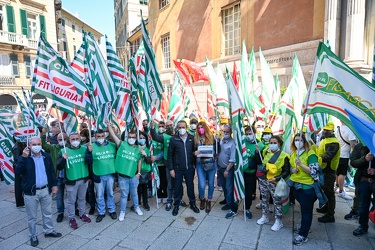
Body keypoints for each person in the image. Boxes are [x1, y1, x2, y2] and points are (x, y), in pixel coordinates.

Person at [15, 137, 62, 247]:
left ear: (41, 144)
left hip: (45, 189)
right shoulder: (25, 157)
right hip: (31, 192)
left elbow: (51, 171)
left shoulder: (46, 156)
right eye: (34, 144)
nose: (36, 146)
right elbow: (18, 171)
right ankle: (33, 235)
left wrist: (54, 184)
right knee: (32, 216)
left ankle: (49, 231)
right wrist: (23, 158)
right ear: (29, 145)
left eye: (38, 143)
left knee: (47, 212)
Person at [107, 125, 143, 221]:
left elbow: (139, 160)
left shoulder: (138, 148)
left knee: (134, 193)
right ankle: (122, 211)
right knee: (124, 194)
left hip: (133, 175)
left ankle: (136, 207)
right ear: (127, 138)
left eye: (133, 137)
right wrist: (109, 126)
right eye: (130, 137)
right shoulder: (122, 144)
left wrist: (139, 173)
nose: (131, 139)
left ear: (136, 138)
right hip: (123, 176)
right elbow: (113, 135)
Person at [57, 132, 92, 229]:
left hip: (83, 178)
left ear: (80, 140)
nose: (75, 141)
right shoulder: (64, 151)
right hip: (71, 180)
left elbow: (89, 162)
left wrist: (89, 152)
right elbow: (59, 166)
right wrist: (63, 159)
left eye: (77, 139)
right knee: (71, 201)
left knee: (82, 198)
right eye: (73, 139)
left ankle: (82, 214)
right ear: (69, 140)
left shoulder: (85, 149)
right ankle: (71, 218)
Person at [289, 133, 319, 245]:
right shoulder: (294, 153)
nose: (298, 142)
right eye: (296, 140)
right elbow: (292, 166)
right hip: (296, 186)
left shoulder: (311, 154)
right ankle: (304, 226)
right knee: (303, 210)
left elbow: (314, 172)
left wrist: (301, 165)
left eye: (300, 140)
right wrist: (293, 169)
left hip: (307, 188)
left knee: (306, 212)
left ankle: (303, 235)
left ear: (305, 142)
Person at [150, 120, 187, 211]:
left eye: (171, 125)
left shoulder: (180, 135)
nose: (170, 126)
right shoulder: (164, 136)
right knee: (169, 184)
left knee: (179, 184)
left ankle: (179, 199)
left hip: (179, 164)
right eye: (168, 126)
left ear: (174, 125)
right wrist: (152, 128)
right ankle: (169, 201)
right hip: (169, 164)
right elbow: (155, 137)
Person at [256, 135, 290, 231]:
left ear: (279, 144)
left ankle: (278, 220)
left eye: (275, 143)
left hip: (275, 182)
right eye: (271, 143)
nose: (272, 145)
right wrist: (257, 152)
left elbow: (286, 171)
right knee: (264, 198)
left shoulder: (284, 156)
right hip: (263, 179)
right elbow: (259, 162)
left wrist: (276, 178)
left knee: (277, 201)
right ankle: (264, 216)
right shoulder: (266, 151)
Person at [168, 120, 199, 216]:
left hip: (189, 168)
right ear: (177, 128)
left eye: (183, 127)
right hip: (178, 168)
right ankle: (176, 205)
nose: (181, 129)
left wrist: (194, 164)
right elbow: (170, 155)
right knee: (177, 188)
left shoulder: (191, 138)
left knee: (190, 186)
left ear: (186, 127)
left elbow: (194, 152)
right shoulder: (174, 139)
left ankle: (192, 203)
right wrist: (171, 169)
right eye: (180, 127)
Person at [86, 129, 117, 222]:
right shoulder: (91, 146)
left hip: (110, 174)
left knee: (111, 193)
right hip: (98, 175)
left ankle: (112, 210)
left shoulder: (112, 145)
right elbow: (88, 161)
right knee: (99, 195)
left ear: (105, 136)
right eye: (98, 136)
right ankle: (101, 212)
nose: (100, 138)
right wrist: (88, 152)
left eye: (102, 136)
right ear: (95, 137)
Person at [41, 131, 69, 223]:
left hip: (69, 176)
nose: (62, 141)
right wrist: (44, 133)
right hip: (58, 176)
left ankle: (75, 209)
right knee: (59, 196)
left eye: (64, 139)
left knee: (72, 196)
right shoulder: (53, 148)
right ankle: (60, 212)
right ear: (57, 140)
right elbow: (44, 145)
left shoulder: (69, 148)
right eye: (60, 139)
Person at [316, 122, 340, 223]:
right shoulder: (325, 139)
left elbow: (328, 157)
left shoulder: (334, 142)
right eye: (324, 130)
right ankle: (326, 207)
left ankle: (330, 215)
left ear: (332, 131)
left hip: (329, 170)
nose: (325, 132)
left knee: (329, 192)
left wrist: (316, 159)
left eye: (327, 130)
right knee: (325, 189)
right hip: (323, 169)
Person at [350, 143, 375, 236]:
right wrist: (365, 159)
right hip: (363, 181)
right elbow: (353, 162)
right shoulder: (360, 146)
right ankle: (363, 226)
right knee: (363, 206)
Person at [194, 120, 216, 213]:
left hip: (211, 163)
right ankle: (202, 198)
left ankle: (209, 200)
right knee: (202, 185)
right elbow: (192, 151)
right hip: (200, 164)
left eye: (202, 127)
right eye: (198, 128)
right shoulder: (195, 139)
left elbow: (217, 151)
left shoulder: (213, 138)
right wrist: (194, 153)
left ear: (205, 128)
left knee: (211, 183)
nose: (200, 129)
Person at [244, 125, 264, 219]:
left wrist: (257, 153)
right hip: (240, 171)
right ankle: (234, 207)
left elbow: (260, 162)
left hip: (251, 172)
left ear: (254, 134)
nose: (248, 136)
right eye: (246, 134)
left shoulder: (259, 145)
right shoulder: (242, 142)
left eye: (250, 134)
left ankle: (247, 208)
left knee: (248, 192)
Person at [217, 125, 237, 219]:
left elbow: (232, 159)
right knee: (224, 186)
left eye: (227, 132)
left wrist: (227, 170)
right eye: (224, 132)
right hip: (220, 168)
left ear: (230, 133)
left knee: (229, 187)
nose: (225, 133)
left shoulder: (232, 143)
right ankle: (226, 199)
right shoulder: (221, 140)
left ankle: (230, 203)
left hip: (227, 169)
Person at [336, 122, 357, 200]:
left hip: (338, 153)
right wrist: (354, 157)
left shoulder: (338, 128)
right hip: (345, 155)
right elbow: (353, 145)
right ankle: (341, 191)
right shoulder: (349, 130)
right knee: (342, 173)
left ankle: (338, 187)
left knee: (338, 172)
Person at [80, 128, 95, 215]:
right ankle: (92, 207)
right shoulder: (85, 147)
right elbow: (87, 161)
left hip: (99, 172)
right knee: (90, 191)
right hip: (89, 172)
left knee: (102, 192)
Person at [137, 131, 154, 211]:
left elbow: (149, 161)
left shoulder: (148, 149)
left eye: (143, 138)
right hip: (137, 171)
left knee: (144, 188)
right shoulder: (135, 148)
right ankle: (137, 203)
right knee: (137, 188)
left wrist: (145, 154)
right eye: (140, 138)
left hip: (146, 171)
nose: (142, 140)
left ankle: (145, 203)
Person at [153, 121, 168, 203]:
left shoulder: (165, 137)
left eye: (162, 126)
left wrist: (157, 157)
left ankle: (165, 194)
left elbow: (165, 150)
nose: (161, 127)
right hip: (155, 164)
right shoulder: (154, 137)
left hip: (163, 163)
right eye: (159, 126)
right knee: (156, 179)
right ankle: (158, 194)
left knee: (164, 180)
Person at [12, 141, 26, 207]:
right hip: (18, 167)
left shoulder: (20, 146)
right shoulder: (17, 148)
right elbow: (17, 159)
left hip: (21, 166)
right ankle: (20, 202)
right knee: (18, 185)